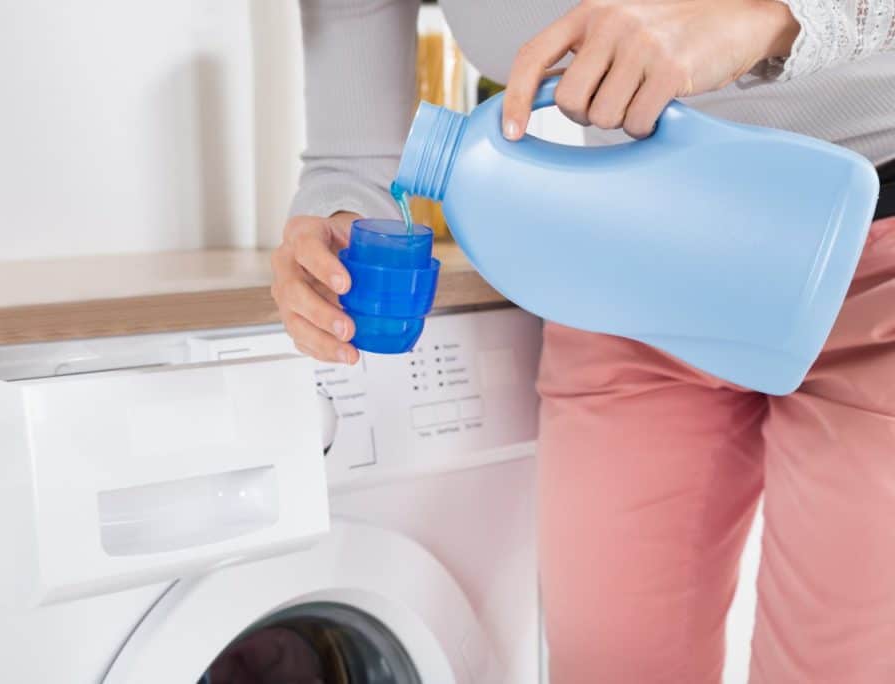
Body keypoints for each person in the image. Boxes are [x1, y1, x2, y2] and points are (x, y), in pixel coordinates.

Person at [270, 0, 895, 681]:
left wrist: (761, 18)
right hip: (619, 272)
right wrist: (334, 224)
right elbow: (359, 158)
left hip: (875, 263)